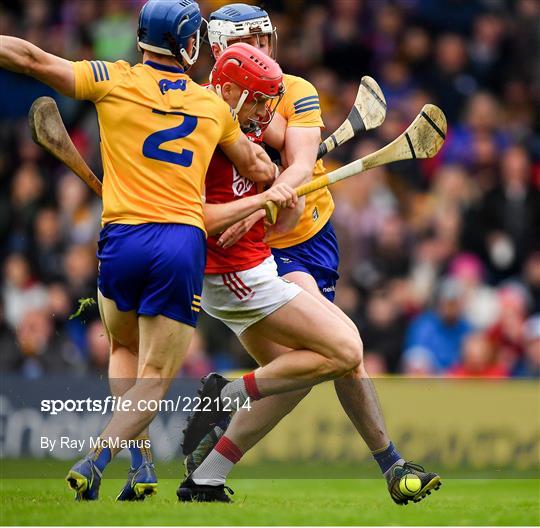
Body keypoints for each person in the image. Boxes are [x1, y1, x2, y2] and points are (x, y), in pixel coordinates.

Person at [0, 0, 289, 501]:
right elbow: (259, 168)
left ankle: (141, 463)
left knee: (123, 348)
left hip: (120, 240)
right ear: (190, 45)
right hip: (179, 242)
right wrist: (272, 178)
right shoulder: (213, 106)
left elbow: (30, 59)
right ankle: (97, 458)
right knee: (154, 378)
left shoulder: (111, 79)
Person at [180, 3, 441, 506]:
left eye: (265, 40)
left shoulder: (292, 90)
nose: (262, 52)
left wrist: (275, 191)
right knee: (334, 353)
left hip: (308, 240)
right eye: (248, 43)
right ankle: (392, 465)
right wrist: (258, 205)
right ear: (219, 52)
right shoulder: (213, 108)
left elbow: (300, 163)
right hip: (256, 255)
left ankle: (208, 473)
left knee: (302, 369)